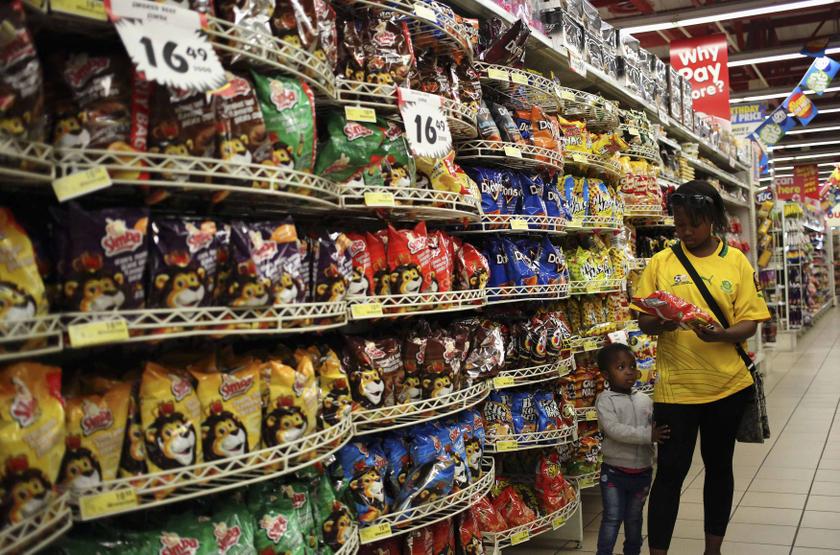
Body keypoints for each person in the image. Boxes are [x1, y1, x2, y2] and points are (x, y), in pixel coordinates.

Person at [635, 180, 771, 555]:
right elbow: (643, 319)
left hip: (725, 386)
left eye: (692, 224)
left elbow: (751, 321)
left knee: (719, 468)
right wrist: (660, 321)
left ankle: (714, 549)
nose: (685, 232)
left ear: (712, 219)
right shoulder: (662, 261)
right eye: (679, 225)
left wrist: (721, 334)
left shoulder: (736, 262)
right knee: (670, 474)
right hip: (675, 390)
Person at [595, 342, 670, 555]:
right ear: (605, 374)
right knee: (612, 518)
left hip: (642, 472)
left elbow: (654, 426)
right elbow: (614, 430)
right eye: (620, 367)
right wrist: (649, 436)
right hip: (614, 473)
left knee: (635, 519)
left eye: (632, 366)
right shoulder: (605, 401)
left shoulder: (645, 400)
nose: (629, 372)